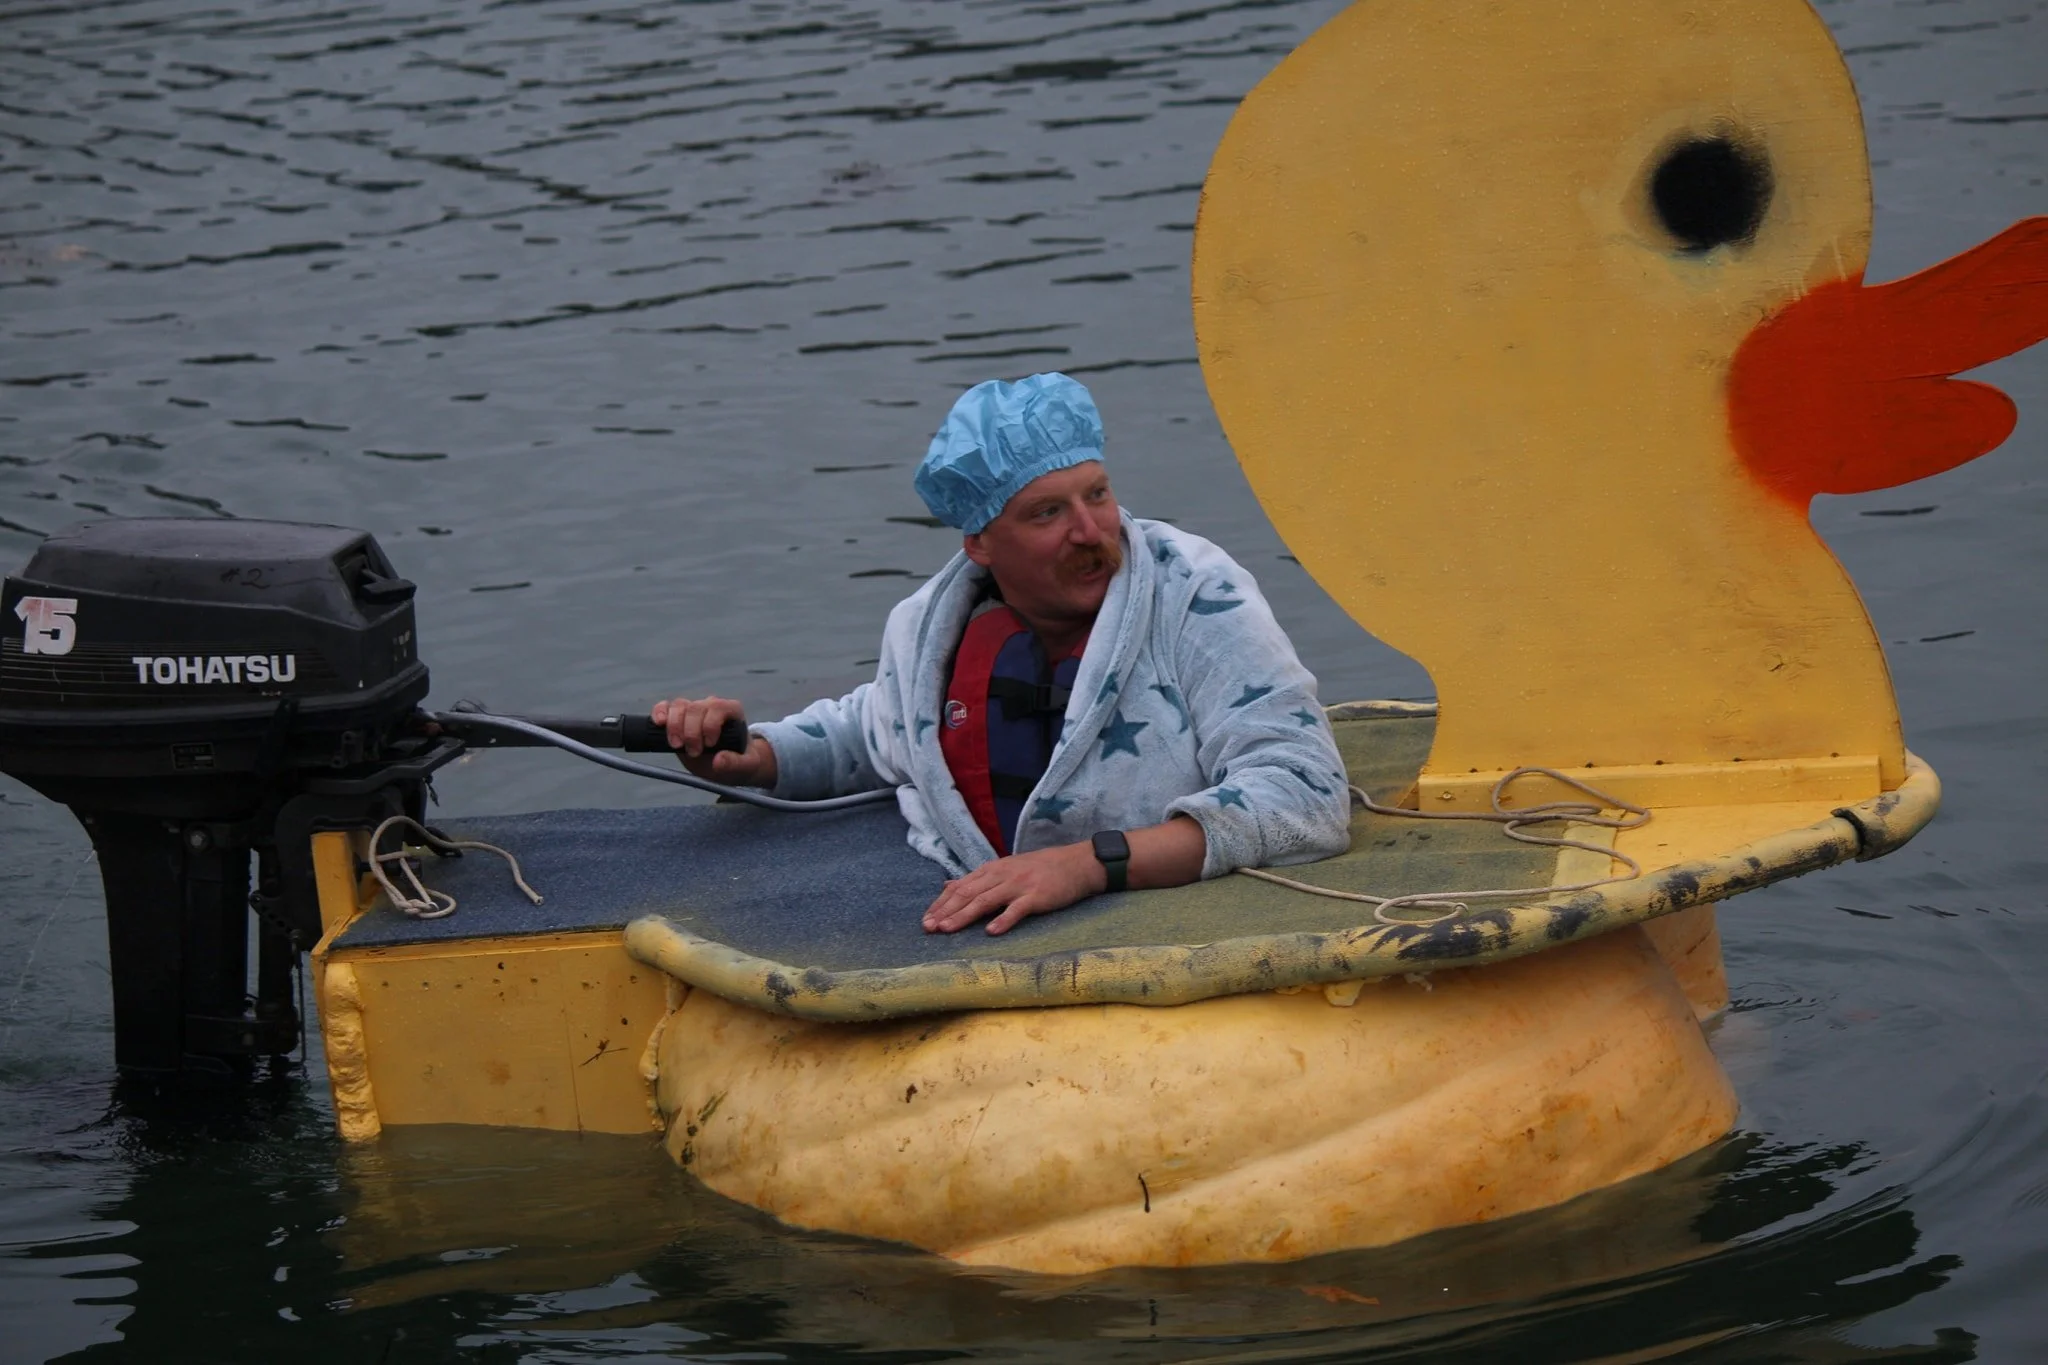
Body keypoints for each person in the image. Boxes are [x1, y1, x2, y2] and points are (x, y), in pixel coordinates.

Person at [655, 373, 1350, 935]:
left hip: (1159, 919)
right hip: (989, 935)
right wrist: (756, 756)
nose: (1090, 531)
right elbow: (870, 733)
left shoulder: (1198, 596)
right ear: (980, 544)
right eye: (1047, 512)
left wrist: (1085, 865)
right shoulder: (929, 627)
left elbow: (1304, 794)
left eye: (1097, 494)